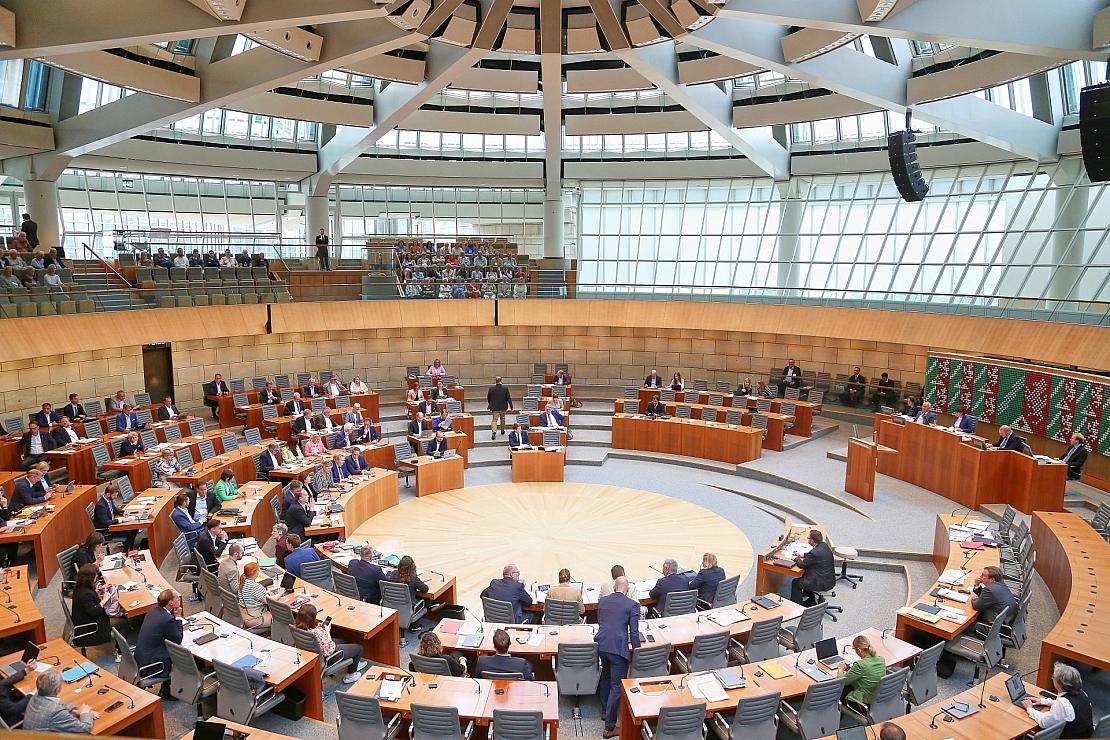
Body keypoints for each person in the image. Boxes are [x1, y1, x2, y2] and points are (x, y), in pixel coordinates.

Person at [595, 576, 640, 738]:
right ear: (627, 589)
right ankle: (609, 727)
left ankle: (605, 711)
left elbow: (602, 622)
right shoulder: (632, 604)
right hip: (618, 649)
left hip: (602, 645)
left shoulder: (603, 601)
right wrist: (637, 651)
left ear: (615, 588)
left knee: (606, 677)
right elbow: (634, 633)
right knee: (616, 686)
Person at [295, 603, 366, 683]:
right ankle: (351, 676)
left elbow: (315, 634)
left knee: (343, 641)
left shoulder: (297, 626)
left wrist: (318, 627)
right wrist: (327, 631)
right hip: (327, 657)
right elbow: (329, 649)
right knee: (359, 648)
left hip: (312, 654)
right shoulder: (317, 633)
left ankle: (354, 665)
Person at [1021, 662, 1094, 737]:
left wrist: (1029, 708)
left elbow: (1044, 722)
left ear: (1060, 684)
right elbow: (1067, 706)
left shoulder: (1062, 704)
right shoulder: (1082, 693)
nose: (1052, 678)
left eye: (1053, 677)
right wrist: (1043, 701)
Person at [72, 563, 127, 655]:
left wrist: (97, 594)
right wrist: (104, 600)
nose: (96, 579)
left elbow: (90, 604)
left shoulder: (80, 588)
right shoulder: (86, 594)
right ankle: (120, 653)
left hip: (86, 621)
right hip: (92, 629)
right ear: (90, 579)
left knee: (120, 614)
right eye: (95, 577)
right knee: (123, 622)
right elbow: (94, 611)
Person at [22, 668, 98, 733]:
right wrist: (85, 712)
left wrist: (74, 710)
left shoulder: (35, 696)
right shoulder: (56, 712)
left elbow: (57, 707)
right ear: (57, 690)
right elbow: (84, 728)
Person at [134, 589, 183, 687]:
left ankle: (166, 690)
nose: (179, 600)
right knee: (181, 658)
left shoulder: (153, 610)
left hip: (140, 658)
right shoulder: (167, 620)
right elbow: (178, 639)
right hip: (154, 665)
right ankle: (168, 690)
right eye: (177, 598)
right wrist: (178, 617)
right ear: (171, 603)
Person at [790, 529, 836, 606]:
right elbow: (814, 556)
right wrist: (803, 554)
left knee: (796, 583)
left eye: (808, 538)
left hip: (821, 583)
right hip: (829, 580)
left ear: (812, 540)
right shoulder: (824, 545)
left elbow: (802, 564)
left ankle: (797, 606)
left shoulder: (814, 553)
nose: (808, 539)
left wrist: (796, 558)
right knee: (806, 574)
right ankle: (810, 600)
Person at [839, 634, 886, 708]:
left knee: (838, 690)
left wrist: (840, 669)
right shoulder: (881, 660)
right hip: (877, 699)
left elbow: (841, 682)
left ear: (859, 650)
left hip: (863, 703)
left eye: (854, 649)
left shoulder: (860, 665)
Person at [968, 565, 1017, 631]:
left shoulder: (990, 590)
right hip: (1005, 624)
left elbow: (976, 606)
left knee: (965, 625)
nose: (980, 577)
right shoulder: (1000, 584)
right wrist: (977, 586)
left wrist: (972, 598)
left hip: (992, 629)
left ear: (992, 579)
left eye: (983, 575)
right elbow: (987, 598)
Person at [94, 480, 137, 551]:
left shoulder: (108, 500)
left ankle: (130, 549)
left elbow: (114, 509)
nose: (116, 497)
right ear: (108, 494)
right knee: (131, 532)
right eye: (114, 495)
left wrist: (123, 512)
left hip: (111, 526)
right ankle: (126, 552)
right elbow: (106, 522)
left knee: (134, 528)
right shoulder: (101, 506)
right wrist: (121, 520)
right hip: (106, 532)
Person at [238, 561, 271, 629]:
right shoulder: (255, 586)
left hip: (243, 616)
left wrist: (265, 592)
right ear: (256, 572)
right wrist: (280, 593)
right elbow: (268, 601)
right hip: (255, 618)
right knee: (280, 619)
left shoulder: (242, 582)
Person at [0, 663, 31, 727]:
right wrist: (30, 696)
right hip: (12, 718)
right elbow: (14, 709)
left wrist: (25, 671)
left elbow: (5, 682)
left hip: (9, 705)